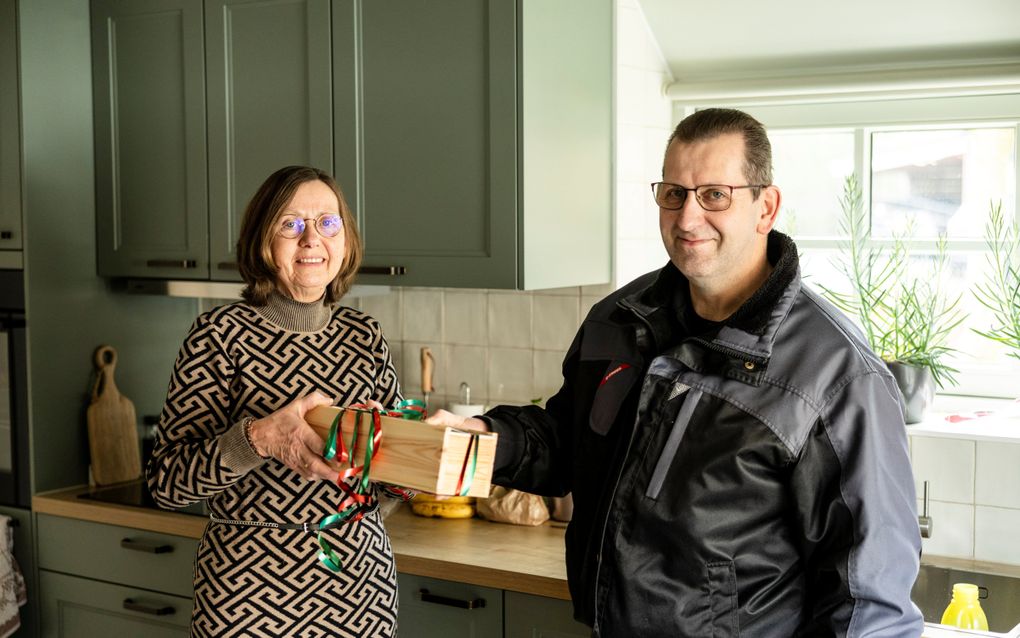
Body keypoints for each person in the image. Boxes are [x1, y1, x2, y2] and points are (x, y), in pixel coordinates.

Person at [429, 108, 924, 637]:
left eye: (715, 194)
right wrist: (485, 438)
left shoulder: (837, 375)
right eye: (673, 194)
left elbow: (869, 602)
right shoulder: (618, 319)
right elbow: (570, 444)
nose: (687, 219)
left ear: (766, 207)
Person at [147, 165, 409, 637]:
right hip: (247, 594)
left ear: (345, 239)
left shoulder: (364, 335)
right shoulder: (219, 335)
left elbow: (392, 482)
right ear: (262, 241)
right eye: (291, 224)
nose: (312, 239)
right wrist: (258, 438)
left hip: (360, 589)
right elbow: (167, 484)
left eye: (328, 223)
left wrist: (407, 455)